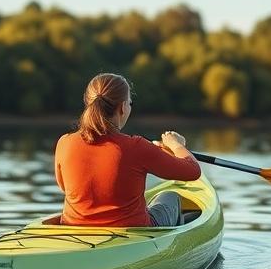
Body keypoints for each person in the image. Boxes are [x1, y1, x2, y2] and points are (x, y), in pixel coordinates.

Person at [55, 73, 201, 227]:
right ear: (123, 107)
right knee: (170, 197)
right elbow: (193, 171)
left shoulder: (65, 142)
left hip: (74, 228)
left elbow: (65, 186)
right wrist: (176, 144)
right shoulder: (136, 146)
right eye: (130, 103)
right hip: (132, 231)